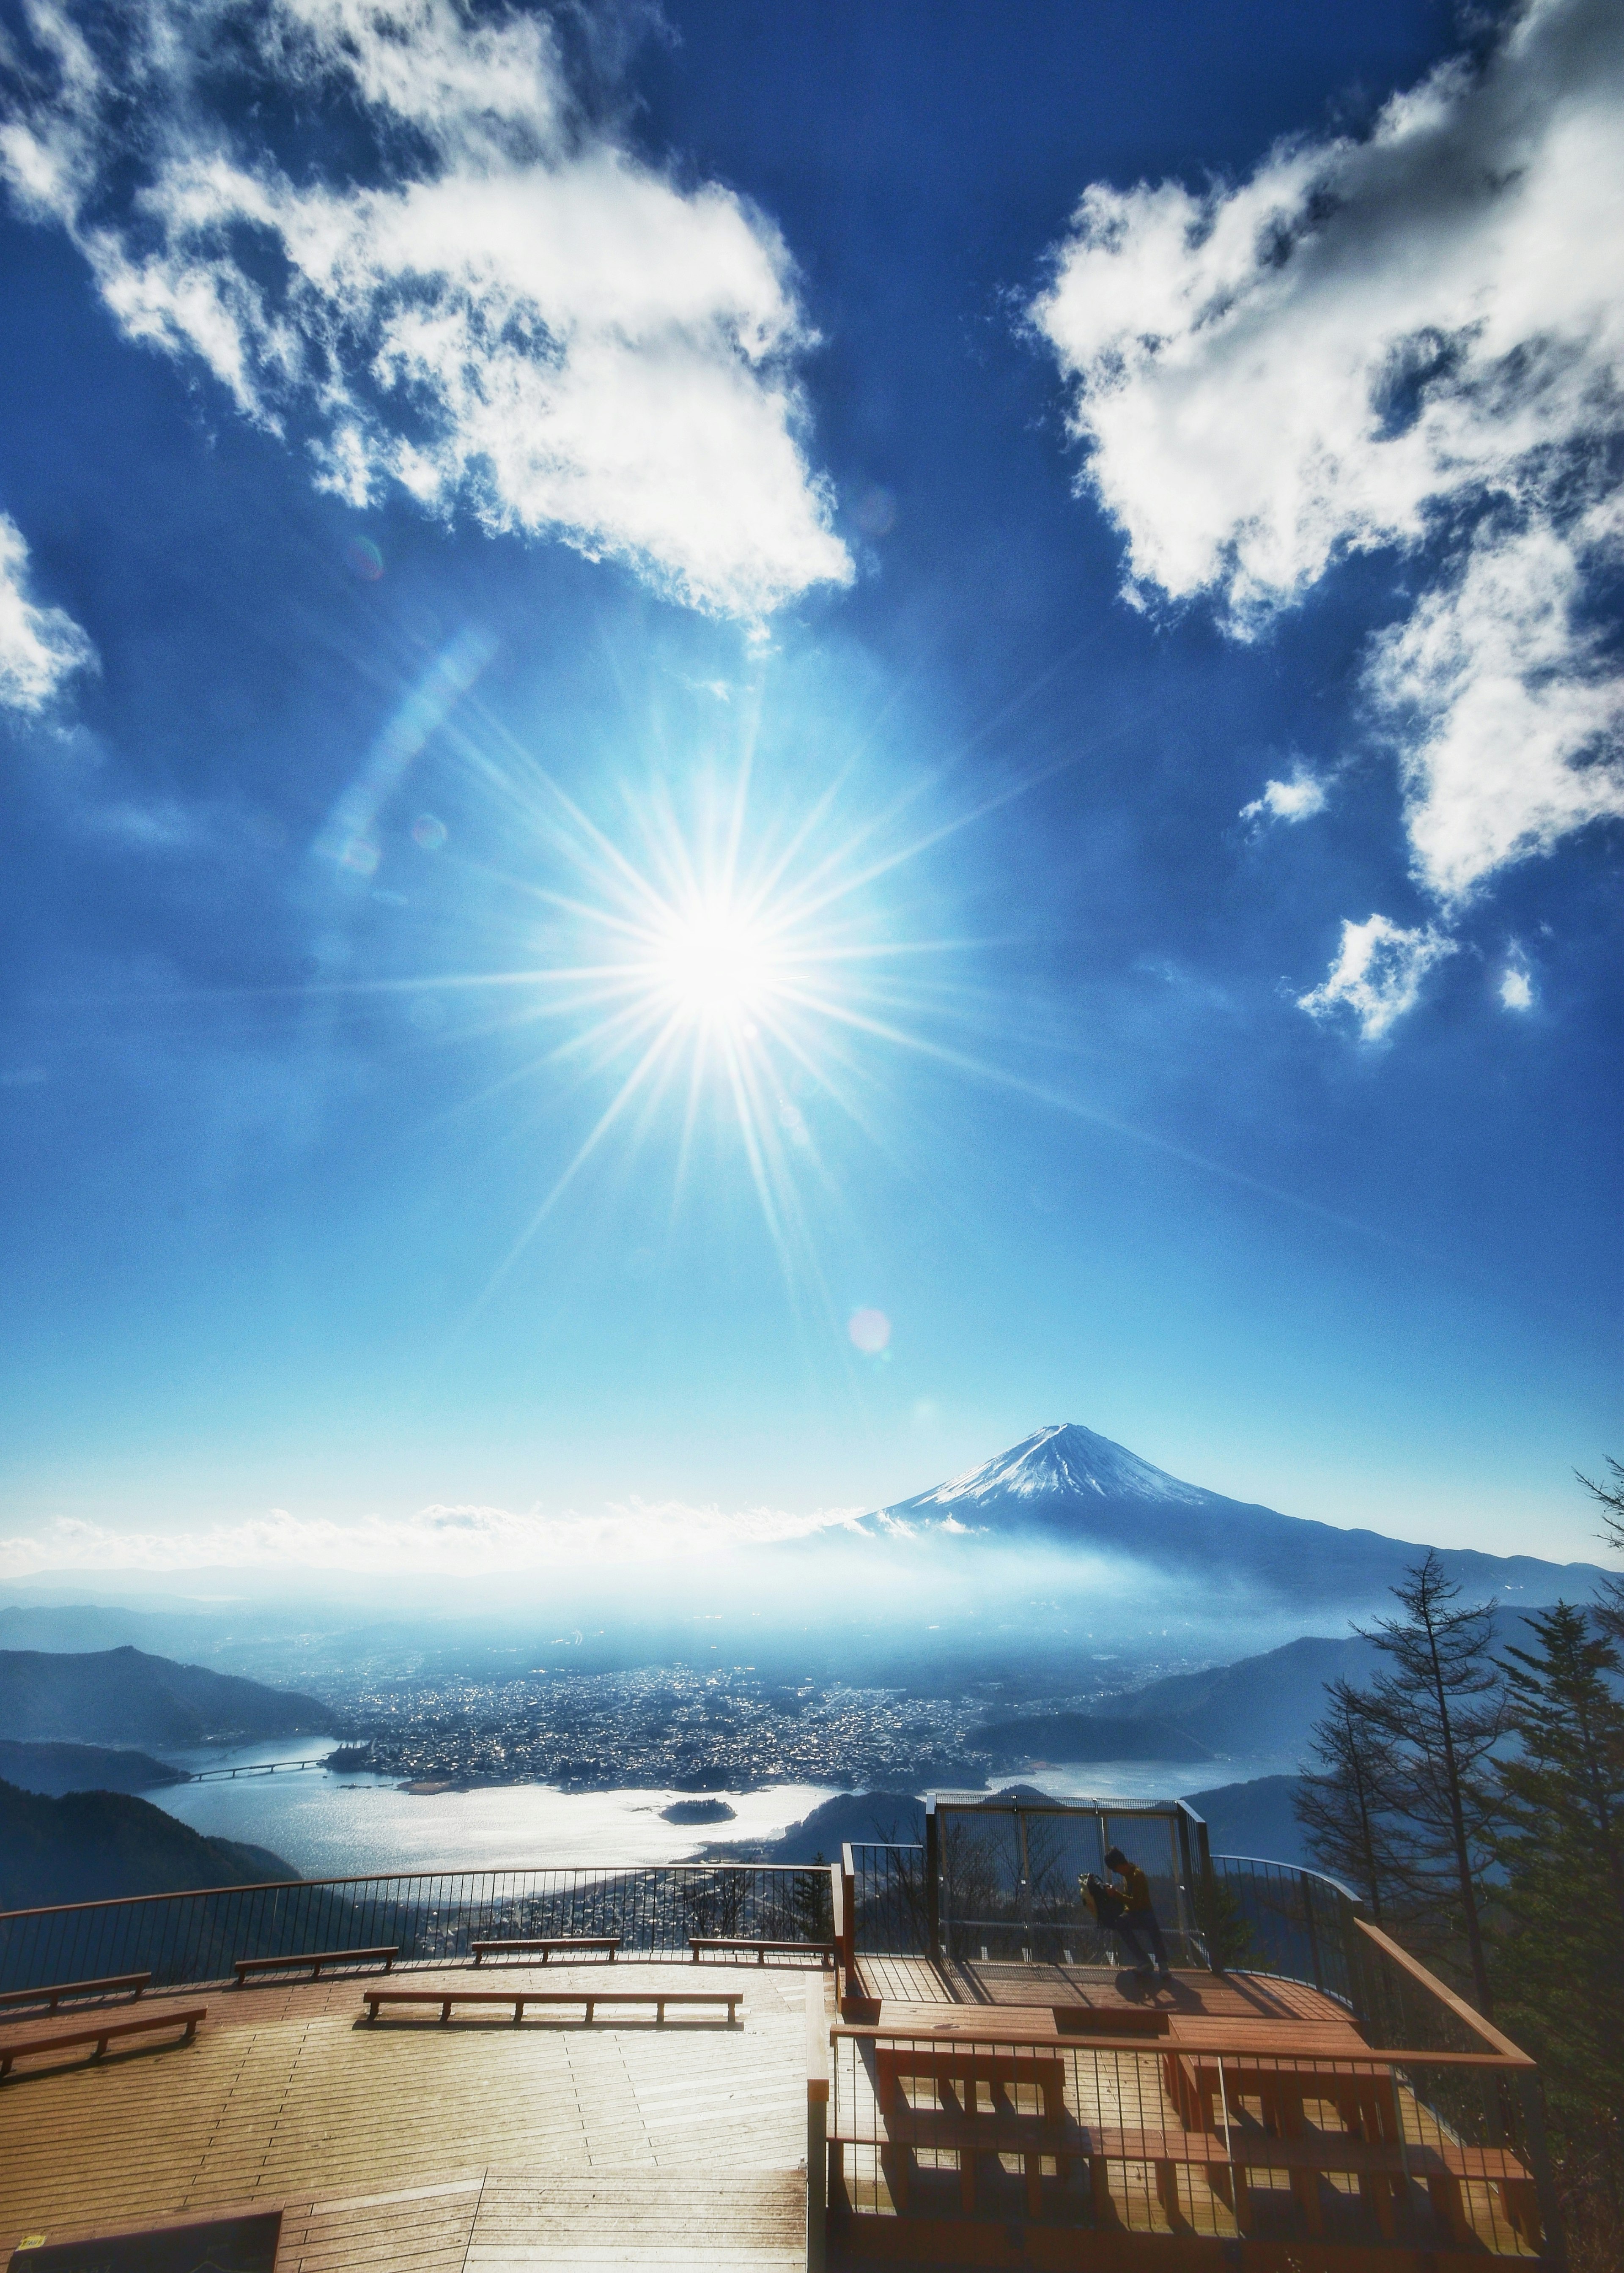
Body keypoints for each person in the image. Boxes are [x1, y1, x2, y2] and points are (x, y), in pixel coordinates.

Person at [1104, 1845, 1173, 1981]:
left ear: (1120, 1865)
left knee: (1152, 1925)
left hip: (1144, 1912)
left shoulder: (1137, 1876)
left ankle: (1162, 1965)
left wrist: (1116, 1895)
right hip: (1134, 1912)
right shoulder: (1128, 1875)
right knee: (1121, 1923)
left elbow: (1137, 1903)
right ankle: (1146, 1962)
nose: (1116, 1872)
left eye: (1115, 1869)